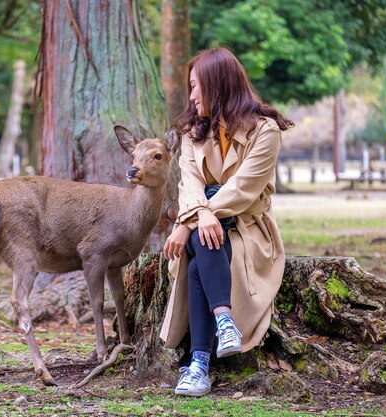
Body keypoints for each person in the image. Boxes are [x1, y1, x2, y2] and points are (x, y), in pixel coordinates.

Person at [160, 47, 293, 397]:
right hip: (208, 226)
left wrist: (188, 222)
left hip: (249, 229)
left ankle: (198, 364)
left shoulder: (266, 131)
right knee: (206, 238)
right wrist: (201, 216)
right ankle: (224, 321)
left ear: (217, 85)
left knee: (199, 241)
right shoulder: (193, 131)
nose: (190, 96)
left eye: (195, 86)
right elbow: (188, 182)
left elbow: (242, 189)